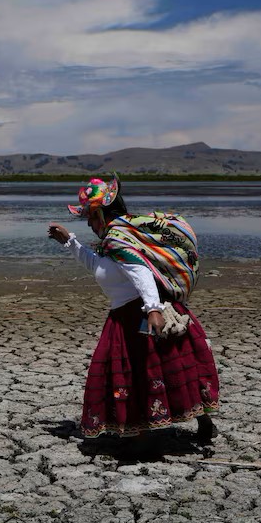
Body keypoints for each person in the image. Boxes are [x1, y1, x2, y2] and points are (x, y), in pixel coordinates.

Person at [48, 173, 219, 446]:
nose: (90, 224)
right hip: (125, 315)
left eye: (91, 218)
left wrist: (152, 309)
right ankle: (195, 423)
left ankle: (139, 435)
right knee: (173, 370)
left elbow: (141, 272)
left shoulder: (117, 239)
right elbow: (99, 267)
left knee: (141, 375)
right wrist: (70, 242)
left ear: (103, 214)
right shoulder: (113, 241)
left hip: (136, 316)